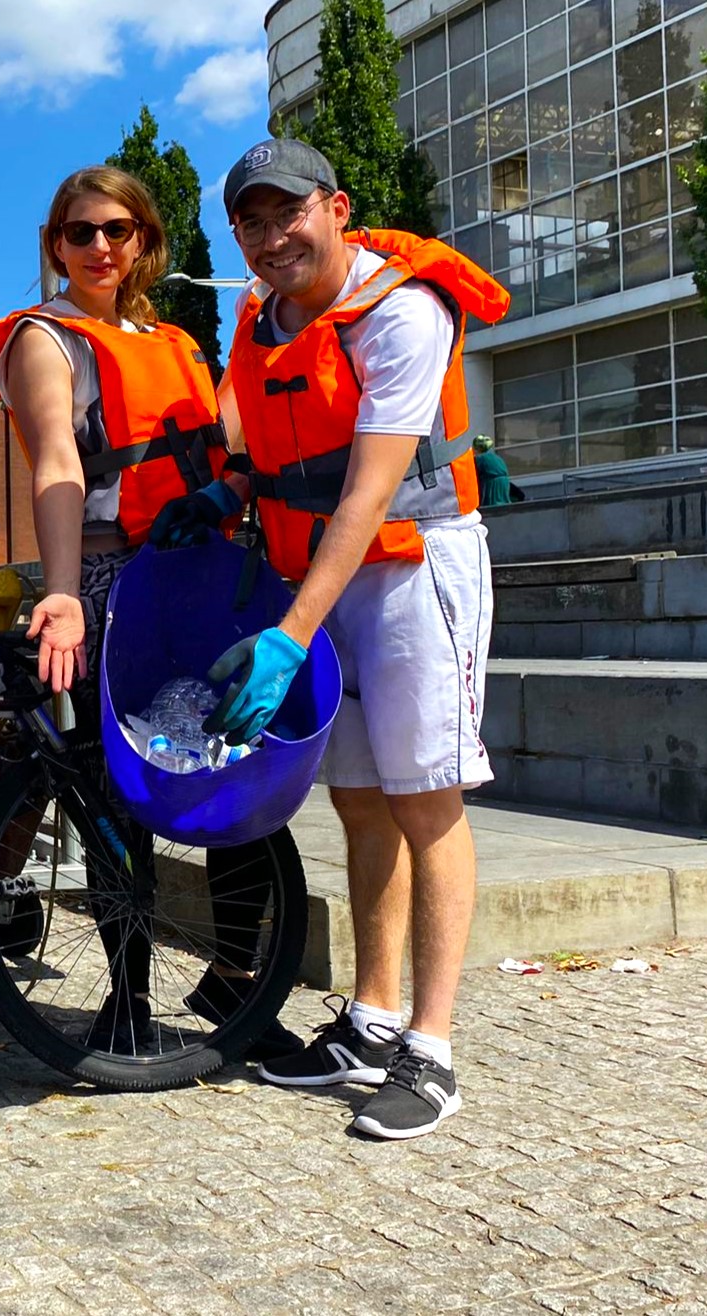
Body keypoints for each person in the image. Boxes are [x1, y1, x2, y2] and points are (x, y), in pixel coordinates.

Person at [198, 138, 507, 1139]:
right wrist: (224, 488)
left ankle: (431, 1046)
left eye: (287, 210)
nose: (269, 233)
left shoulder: (400, 311)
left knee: (425, 797)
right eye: (250, 218)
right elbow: (286, 457)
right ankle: (369, 1018)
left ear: (333, 207)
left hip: (416, 570)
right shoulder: (261, 320)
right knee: (361, 800)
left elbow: (369, 489)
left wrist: (288, 633)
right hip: (324, 578)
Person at [0, 165, 302, 1061]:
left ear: (144, 239)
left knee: (235, 763)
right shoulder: (45, 340)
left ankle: (236, 984)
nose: (99, 247)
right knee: (119, 789)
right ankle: (128, 1000)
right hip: (110, 579)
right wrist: (65, 592)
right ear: (55, 245)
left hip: (201, 573)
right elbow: (58, 468)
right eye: (79, 233)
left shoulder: (181, 343)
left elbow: (232, 450)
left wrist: (225, 494)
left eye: (117, 230)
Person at [473, 434, 524, 506]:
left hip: (492, 484)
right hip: (504, 484)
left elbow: (473, 475)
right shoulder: (497, 458)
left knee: (492, 503)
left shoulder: (480, 458)